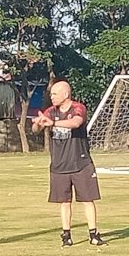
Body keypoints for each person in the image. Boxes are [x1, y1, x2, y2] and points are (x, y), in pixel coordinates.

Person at [32, 81, 106, 247]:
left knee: (88, 200)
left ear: (65, 94)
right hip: (59, 165)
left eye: (55, 94)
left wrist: (53, 124)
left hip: (81, 163)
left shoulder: (78, 108)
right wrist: (38, 123)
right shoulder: (50, 112)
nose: (52, 97)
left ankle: (93, 234)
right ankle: (66, 236)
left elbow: (76, 123)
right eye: (51, 94)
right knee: (64, 202)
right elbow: (35, 130)